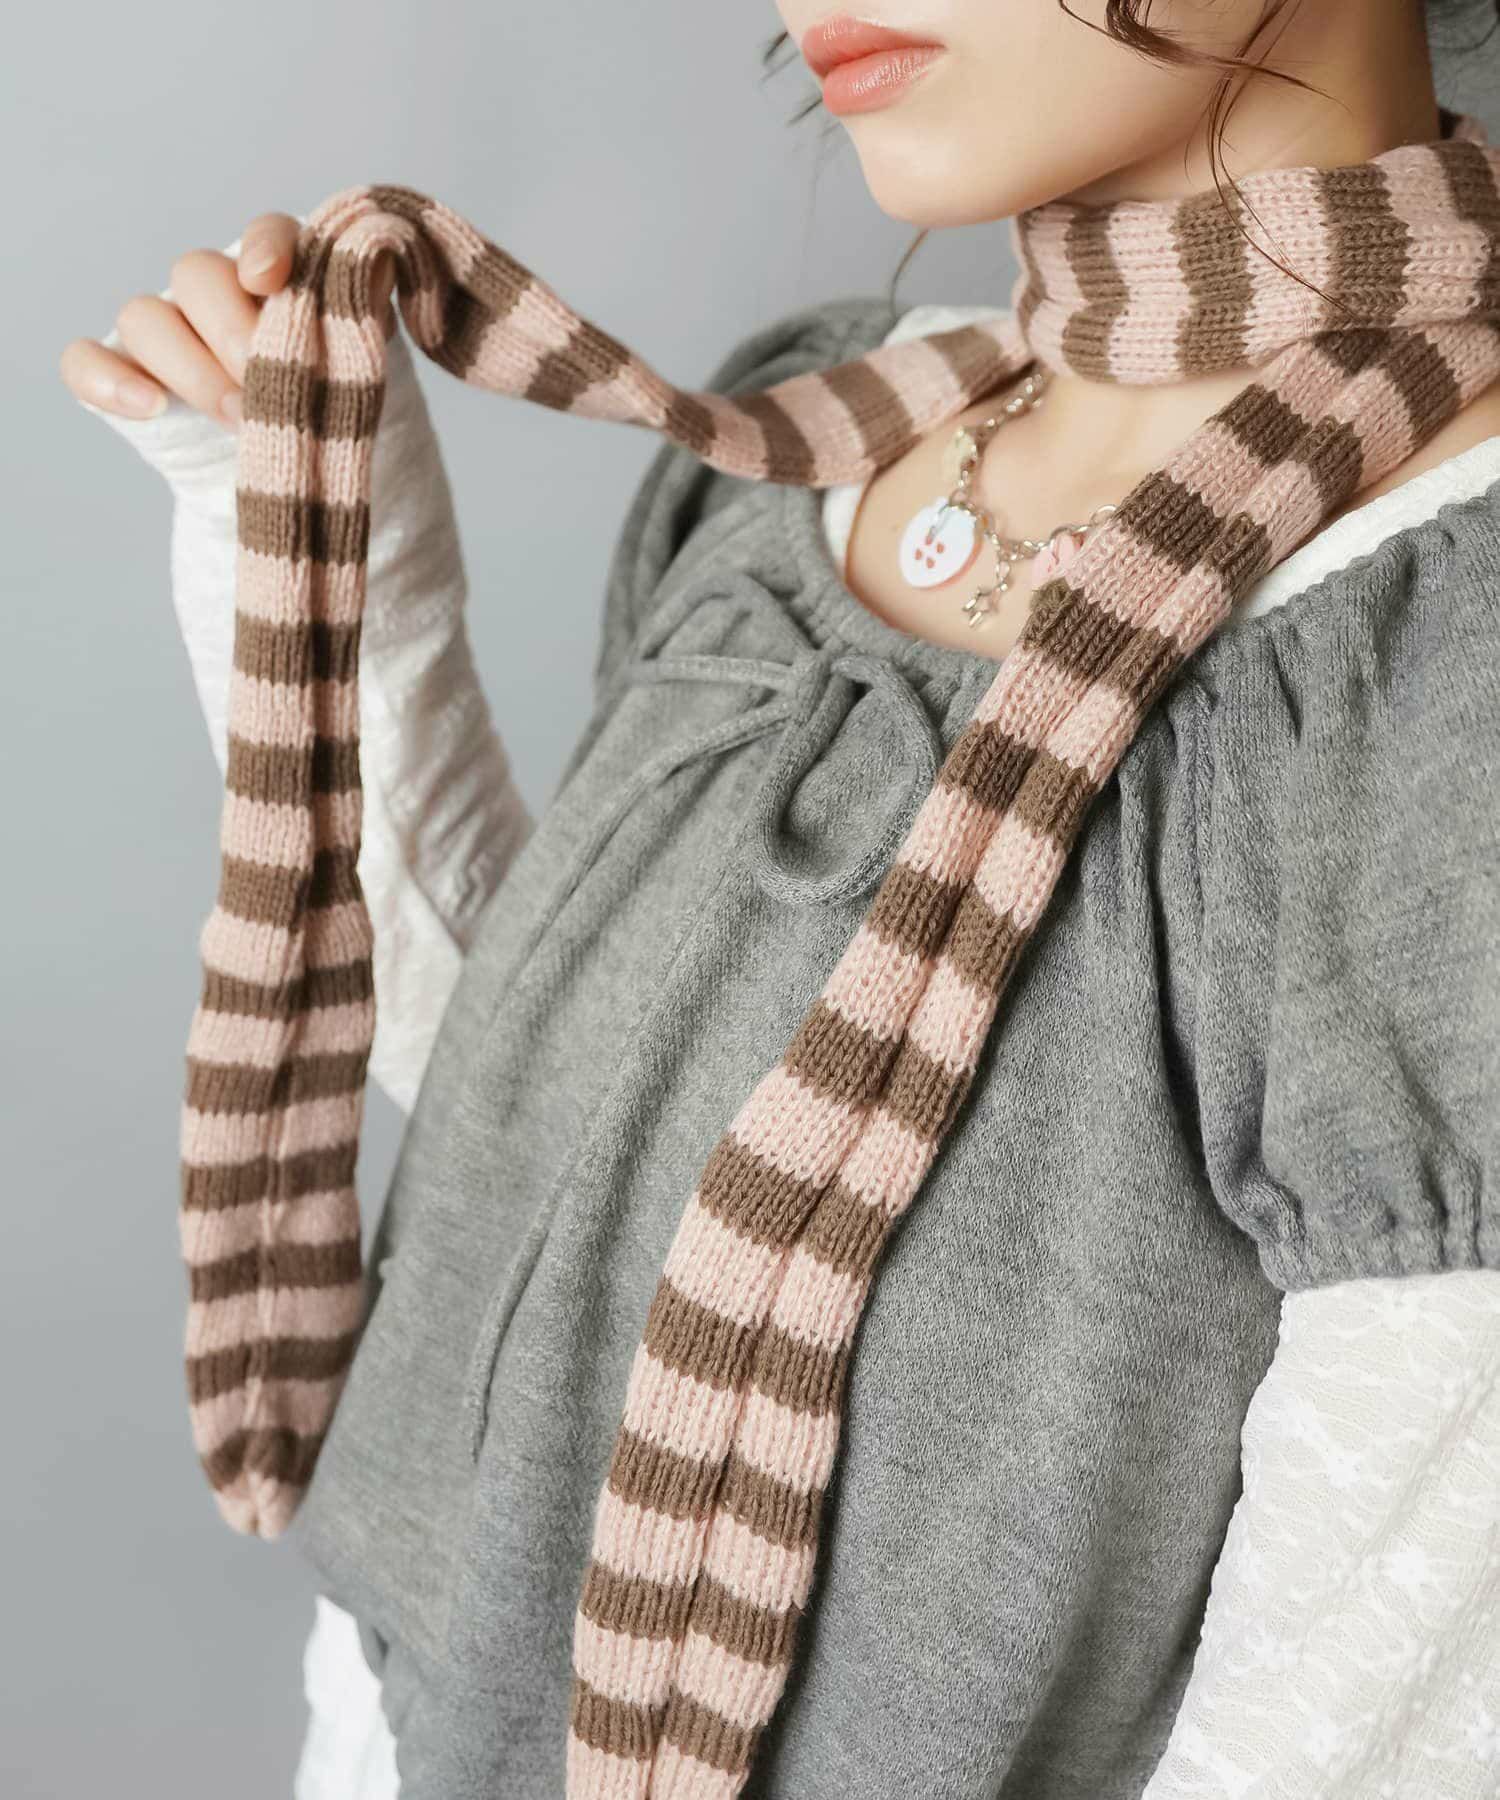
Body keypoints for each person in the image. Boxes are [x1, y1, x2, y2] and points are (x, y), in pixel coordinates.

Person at [61, 2, 1500, 1795]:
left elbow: (1372, 1704)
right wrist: (301, 525)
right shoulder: (818, 432)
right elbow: (559, 1117)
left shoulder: (1444, 662)